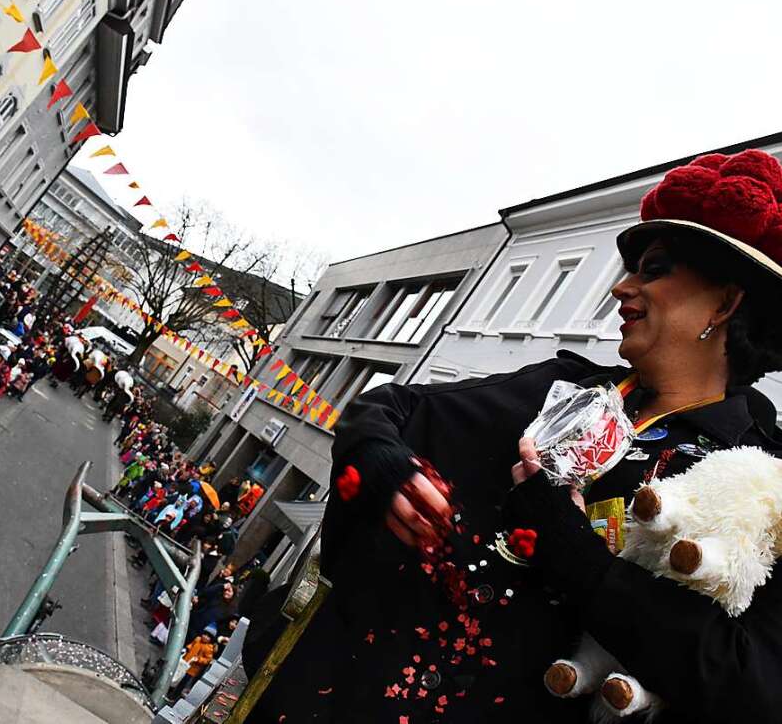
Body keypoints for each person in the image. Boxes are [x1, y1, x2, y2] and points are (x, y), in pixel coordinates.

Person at [244, 149, 782, 723]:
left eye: (653, 270)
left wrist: (579, 560)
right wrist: (380, 464)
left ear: (725, 302)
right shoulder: (562, 385)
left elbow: (753, 688)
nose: (621, 289)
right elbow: (391, 409)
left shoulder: (763, 482)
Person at [174, 626, 217, 699]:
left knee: (182, 682)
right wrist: (187, 648)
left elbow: (207, 660)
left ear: (211, 639)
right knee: (177, 676)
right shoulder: (197, 639)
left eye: (208, 636)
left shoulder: (209, 648)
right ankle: (171, 690)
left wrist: (198, 659)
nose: (205, 637)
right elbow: (191, 645)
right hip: (185, 662)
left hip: (192, 669)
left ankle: (174, 696)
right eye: (205, 634)